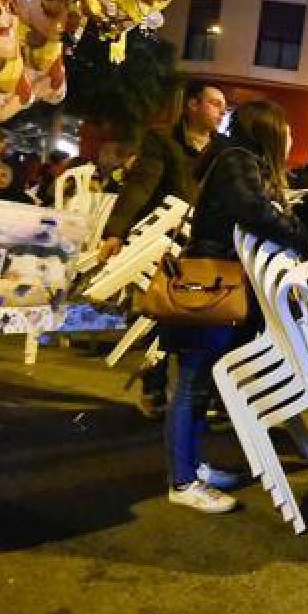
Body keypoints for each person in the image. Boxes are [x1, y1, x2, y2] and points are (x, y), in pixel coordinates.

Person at [162, 100, 308, 514]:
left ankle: (192, 467)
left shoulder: (237, 158)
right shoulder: (239, 159)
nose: (290, 135)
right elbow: (253, 211)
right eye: (285, 127)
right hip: (210, 286)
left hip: (217, 284)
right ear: (268, 131)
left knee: (198, 384)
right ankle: (182, 482)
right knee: (191, 385)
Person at [100, 80, 228, 418]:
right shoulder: (162, 139)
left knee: (204, 316)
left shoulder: (224, 148)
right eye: (215, 103)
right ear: (192, 105)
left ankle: (200, 391)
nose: (222, 110)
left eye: (224, 105)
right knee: (155, 314)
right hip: (164, 241)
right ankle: (153, 388)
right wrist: (115, 232)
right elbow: (141, 185)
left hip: (205, 245)